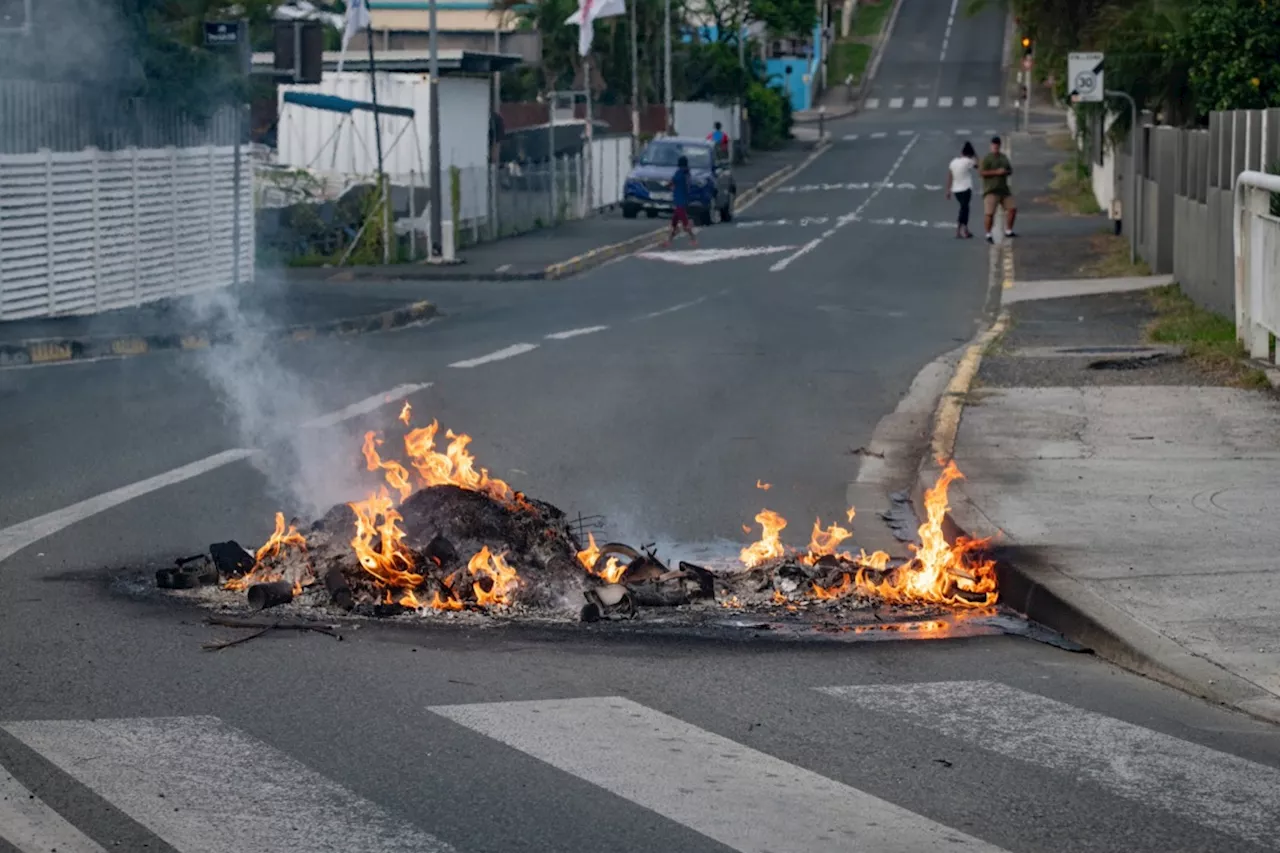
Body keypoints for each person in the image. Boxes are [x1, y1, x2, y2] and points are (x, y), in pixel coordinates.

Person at [979, 135, 1017, 243]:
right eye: (993, 145)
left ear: (999, 146)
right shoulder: (987, 159)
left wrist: (1006, 172)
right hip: (991, 190)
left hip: (1003, 189)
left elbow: (1010, 170)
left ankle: (1009, 230)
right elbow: (981, 173)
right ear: (991, 146)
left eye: (997, 145)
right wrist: (996, 172)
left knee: (1012, 209)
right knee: (989, 213)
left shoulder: (1003, 158)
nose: (995, 147)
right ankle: (988, 233)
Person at [945, 141, 977, 239]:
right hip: (966, 188)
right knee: (964, 208)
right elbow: (979, 166)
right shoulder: (969, 161)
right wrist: (975, 155)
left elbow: (950, 176)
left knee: (964, 208)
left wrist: (948, 190)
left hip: (956, 190)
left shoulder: (953, 161)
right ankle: (961, 230)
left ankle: (964, 229)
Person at [664, 155, 697, 248]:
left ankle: (693, 239)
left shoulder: (679, 173)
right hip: (684, 199)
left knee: (684, 222)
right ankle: (669, 240)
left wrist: (666, 186)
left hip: (679, 200)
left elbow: (672, 182)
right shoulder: (687, 173)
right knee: (674, 221)